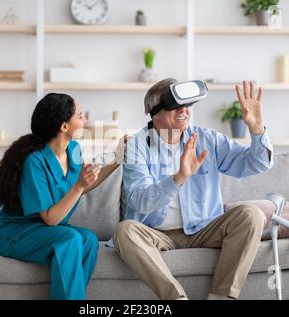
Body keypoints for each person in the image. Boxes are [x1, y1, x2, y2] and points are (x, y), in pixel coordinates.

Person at [113, 79, 274, 300]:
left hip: (204, 229)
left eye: (187, 104)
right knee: (125, 231)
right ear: (154, 112)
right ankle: (176, 298)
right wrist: (178, 178)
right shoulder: (137, 145)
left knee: (251, 215)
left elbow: (255, 163)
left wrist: (257, 131)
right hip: (156, 234)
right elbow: (139, 200)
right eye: (174, 105)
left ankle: (221, 297)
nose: (183, 110)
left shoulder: (207, 139)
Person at [0, 92, 126, 300]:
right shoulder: (34, 161)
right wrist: (79, 186)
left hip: (43, 230)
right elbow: (51, 218)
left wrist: (117, 160)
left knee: (88, 239)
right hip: (14, 231)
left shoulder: (74, 149)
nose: (85, 120)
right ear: (64, 127)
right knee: (70, 238)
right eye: (80, 116)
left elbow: (83, 185)